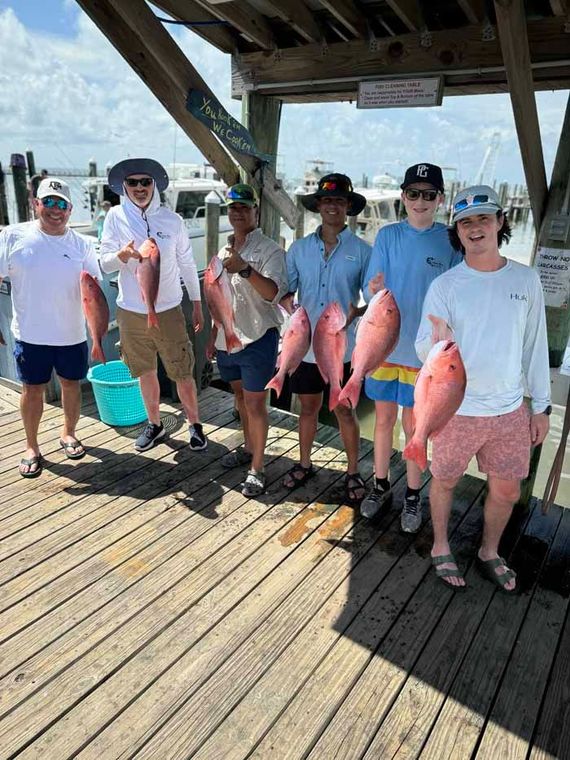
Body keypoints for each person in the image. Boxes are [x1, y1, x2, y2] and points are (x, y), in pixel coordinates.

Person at [415, 185, 551, 593]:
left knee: (507, 490)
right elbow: (426, 349)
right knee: (444, 479)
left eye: (484, 219)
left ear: (500, 222)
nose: (475, 228)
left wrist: (541, 406)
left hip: (510, 410)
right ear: (456, 231)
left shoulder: (526, 279)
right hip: (456, 408)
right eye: (466, 222)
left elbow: (535, 344)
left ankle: (489, 551)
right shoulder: (445, 286)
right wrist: (437, 339)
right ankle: (440, 543)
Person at [360, 163, 462, 532]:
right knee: (384, 420)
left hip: (427, 356)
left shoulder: (451, 240)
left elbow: (459, 292)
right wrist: (370, 291)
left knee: (415, 424)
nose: (420, 201)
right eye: (413, 193)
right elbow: (372, 290)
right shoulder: (387, 235)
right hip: (385, 348)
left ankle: (414, 494)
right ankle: (381, 484)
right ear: (403, 196)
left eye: (429, 194)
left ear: (440, 199)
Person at [99, 158, 207, 453]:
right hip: (132, 312)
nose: (139, 188)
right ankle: (155, 424)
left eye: (145, 182)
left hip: (171, 309)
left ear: (155, 185)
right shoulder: (115, 218)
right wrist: (122, 255)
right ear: (124, 187)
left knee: (182, 370)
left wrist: (196, 303)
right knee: (144, 371)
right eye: (132, 183)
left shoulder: (173, 221)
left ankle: (194, 424)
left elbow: (187, 263)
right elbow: (104, 263)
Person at [0, 177, 101, 478]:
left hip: (71, 334)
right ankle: (32, 446)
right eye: (49, 202)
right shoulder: (12, 236)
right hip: (30, 334)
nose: (55, 210)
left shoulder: (82, 244)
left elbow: (93, 287)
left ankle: (69, 433)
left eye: (62, 204)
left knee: (72, 385)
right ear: (36, 204)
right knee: (32, 390)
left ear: (70, 210)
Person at [284, 173, 371, 503]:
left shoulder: (363, 251)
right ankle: (304, 463)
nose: (333, 206)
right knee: (307, 409)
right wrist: (288, 308)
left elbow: (372, 299)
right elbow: (287, 291)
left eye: (339, 201)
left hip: (341, 349)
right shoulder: (299, 249)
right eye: (327, 200)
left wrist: (357, 312)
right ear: (318, 205)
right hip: (305, 349)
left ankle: (353, 471)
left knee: (345, 411)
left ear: (348, 207)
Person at [207, 183, 288, 498]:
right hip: (229, 340)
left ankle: (257, 466)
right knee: (239, 399)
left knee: (255, 404)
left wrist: (244, 269)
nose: (238, 212)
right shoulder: (221, 251)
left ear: (256, 211)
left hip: (258, 338)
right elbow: (217, 299)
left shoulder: (271, 250)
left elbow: (273, 294)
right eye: (233, 207)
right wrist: (213, 335)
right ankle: (247, 446)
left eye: (244, 206)